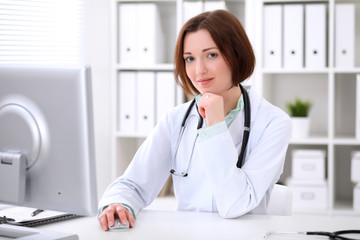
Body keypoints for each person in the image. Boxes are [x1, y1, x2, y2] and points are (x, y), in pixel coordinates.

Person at [98, 9, 291, 231]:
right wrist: (118, 204)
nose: (199, 71)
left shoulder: (273, 123)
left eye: (211, 55)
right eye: (189, 58)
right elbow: (133, 184)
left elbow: (235, 204)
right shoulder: (176, 119)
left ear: (237, 54)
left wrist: (216, 127)